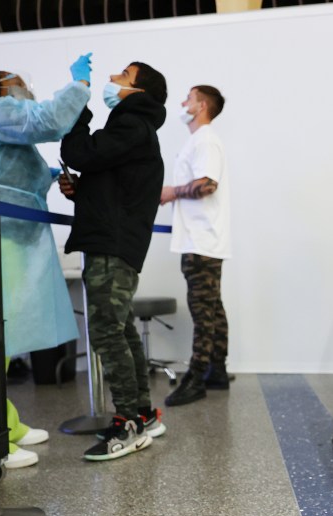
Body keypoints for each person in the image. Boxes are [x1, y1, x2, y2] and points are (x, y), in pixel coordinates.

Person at [0, 56, 93, 469]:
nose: (27, 93)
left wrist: (47, 177)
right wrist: (77, 86)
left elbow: (10, 173)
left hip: (3, 234)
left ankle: (5, 423)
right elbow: (46, 119)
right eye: (20, 86)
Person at [59, 61, 168, 461]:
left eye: (122, 76)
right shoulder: (136, 131)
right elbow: (114, 187)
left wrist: (78, 104)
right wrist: (81, 193)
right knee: (119, 329)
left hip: (112, 247)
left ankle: (128, 424)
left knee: (106, 331)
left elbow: (81, 152)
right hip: (117, 242)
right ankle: (143, 414)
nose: (111, 80)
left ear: (138, 92)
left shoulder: (131, 126)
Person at [160, 85, 231, 407]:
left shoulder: (205, 140)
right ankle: (215, 370)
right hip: (203, 239)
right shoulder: (200, 140)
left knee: (203, 312)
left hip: (201, 241)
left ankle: (196, 378)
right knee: (212, 308)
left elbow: (207, 184)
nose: (181, 103)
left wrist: (171, 192)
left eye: (188, 98)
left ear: (201, 105)